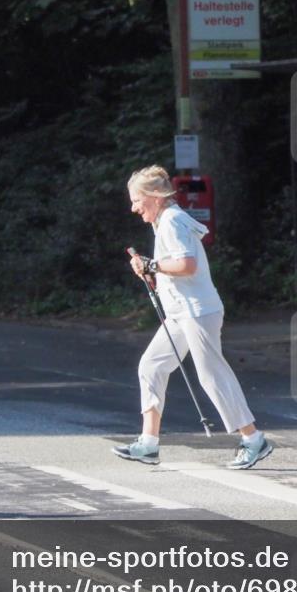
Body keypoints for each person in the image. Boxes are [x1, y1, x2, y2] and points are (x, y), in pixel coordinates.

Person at [113, 165, 273, 469]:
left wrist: (153, 266)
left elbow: (187, 265)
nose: (134, 208)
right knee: (151, 365)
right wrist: (150, 272)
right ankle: (148, 444)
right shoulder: (162, 221)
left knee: (212, 375)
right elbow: (175, 270)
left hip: (198, 312)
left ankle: (254, 439)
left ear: (155, 197)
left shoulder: (172, 221)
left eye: (137, 200)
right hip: (180, 312)